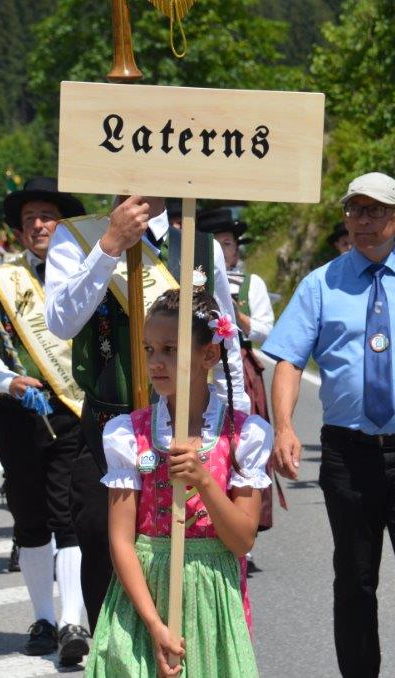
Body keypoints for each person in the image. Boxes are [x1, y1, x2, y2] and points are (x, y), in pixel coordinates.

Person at [263, 172, 395, 678]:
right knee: (355, 580)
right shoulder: (320, 284)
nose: (362, 220)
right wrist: (284, 426)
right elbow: (289, 360)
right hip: (349, 455)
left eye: (375, 210)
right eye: (355, 210)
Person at [44, 193, 250, 634]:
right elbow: (61, 322)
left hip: (188, 430)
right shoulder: (77, 237)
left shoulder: (200, 245)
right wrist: (110, 246)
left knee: (189, 556)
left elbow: (225, 341)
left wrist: (239, 423)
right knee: (104, 553)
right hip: (109, 431)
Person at [85, 288, 271, 677]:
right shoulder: (129, 434)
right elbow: (121, 541)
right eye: (150, 349)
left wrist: (204, 481)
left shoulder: (241, 436)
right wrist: (155, 625)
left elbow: (242, 540)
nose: (156, 362)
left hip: (213, 596)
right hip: (144, 597)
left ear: (209, 355)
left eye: (170, 349)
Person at [0, 178, 91, 665]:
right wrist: (8, 379)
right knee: (30, 516)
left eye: (47, 216)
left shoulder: (89, 274)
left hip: (74, 410)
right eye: (29, 219)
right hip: (19, 412)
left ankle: (73, 618)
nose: (38, 225)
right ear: (19, 232)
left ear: (65, 225)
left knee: (69, 514)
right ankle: (44, 617)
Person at [198, 206, 277, 565]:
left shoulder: (250, 283)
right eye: (213, 243)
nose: (221, 249)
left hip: (238, 365)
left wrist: (236, 315)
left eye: (227, 243)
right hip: (197, 362)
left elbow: (265, 330)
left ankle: (246, 523)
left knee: (242, 443)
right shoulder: (189, 274)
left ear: (236, 247)